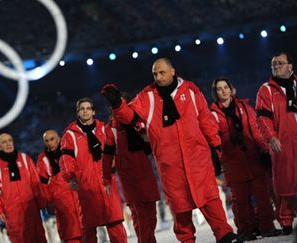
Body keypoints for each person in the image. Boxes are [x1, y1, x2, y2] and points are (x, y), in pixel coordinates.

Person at [102, 58, 238, 243]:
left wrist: (215, 146)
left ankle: (224, 234)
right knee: (179, 205)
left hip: (197, 156)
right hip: (170, 163)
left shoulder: (190, 90)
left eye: (162, 72)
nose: (158, 77)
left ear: (172, 71)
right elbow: (129, 116)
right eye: (155, 74)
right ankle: (186, 239)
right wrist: (117, 104)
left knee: (210, 197)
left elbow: (205, 119)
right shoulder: (147, 96)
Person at [210, 78, 281, 240]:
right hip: (233, 164)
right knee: (240, 200)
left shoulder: (245, 107)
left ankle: (267, 227)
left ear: (231, 89)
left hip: (253, 159)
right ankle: (246, 231)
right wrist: (220, 162)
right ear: (215, 93)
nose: (223, 91)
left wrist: (264, 151)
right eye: (219, 89)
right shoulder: (213, 115)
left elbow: (256, 132)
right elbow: (214, 141)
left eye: (226, 87)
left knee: (262, 195)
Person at [60, 97, 127, 243]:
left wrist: (113, 167)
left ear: (93, 111)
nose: (85, 111)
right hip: (86, 188)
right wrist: (72, 177)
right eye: (82, 109)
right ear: (78, 112)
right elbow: (66, 161)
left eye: (88, 108)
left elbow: (116, 150)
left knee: (115, 223)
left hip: (107, 184)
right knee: (89, 229)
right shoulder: (69, 135)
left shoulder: (104, 128)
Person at [255, 52, 297, 235]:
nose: (276, 67)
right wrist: (271, 137)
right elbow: (262, 118)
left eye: (280, 63)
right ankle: (286, 221)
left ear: (290, 66)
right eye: (273, 64)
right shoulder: (266, 90)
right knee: (284, 184)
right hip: (282, 142)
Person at [103, 93, 161, 243]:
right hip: (128, 177)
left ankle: (149, 239)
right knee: (139, 215)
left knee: (151, 213)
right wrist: (106, 177)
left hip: (146, 172)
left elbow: (152, 141)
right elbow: (107, 155)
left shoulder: (138, 123)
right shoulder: (110, 129)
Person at [0, 133, 46, 243]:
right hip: (13, 213)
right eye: (4, 142)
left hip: (31, 208)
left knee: (39, 237)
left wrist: (42, 202)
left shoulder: (25, 159)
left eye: (10, 140)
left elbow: (36, 182)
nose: (8, 143)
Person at [37, 130, 83, 243]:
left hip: (79, 199)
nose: (49, 143)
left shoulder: (69, 150)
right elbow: (42, 185)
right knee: (70, 236)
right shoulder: (43, 160)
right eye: (46, 141)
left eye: (52, 139)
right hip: (62, 205)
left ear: (58, 139)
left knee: (88, 233)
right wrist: (48, 202)